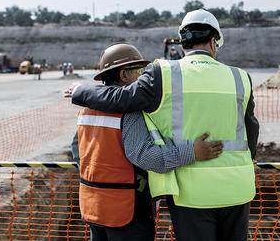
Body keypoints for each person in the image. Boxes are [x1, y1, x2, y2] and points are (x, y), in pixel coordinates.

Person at [71, 9, 259, 241]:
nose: (141, 74)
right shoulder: (240, 77)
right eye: (137, 70)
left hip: (187, 194)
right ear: (213, 41)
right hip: (237, 189)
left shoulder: (163, 74)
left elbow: (121, 101)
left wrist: (81, 91)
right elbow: (251, 127)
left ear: (182, 44)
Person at [69, 43, 224, 241]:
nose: (144, 77)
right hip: (126, 212)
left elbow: (78, 150)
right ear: (124, 75)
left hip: (93, 207)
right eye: (140, 71)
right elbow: (145, 157)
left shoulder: (86, 110)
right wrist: (192, 152)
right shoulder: (130, 112)